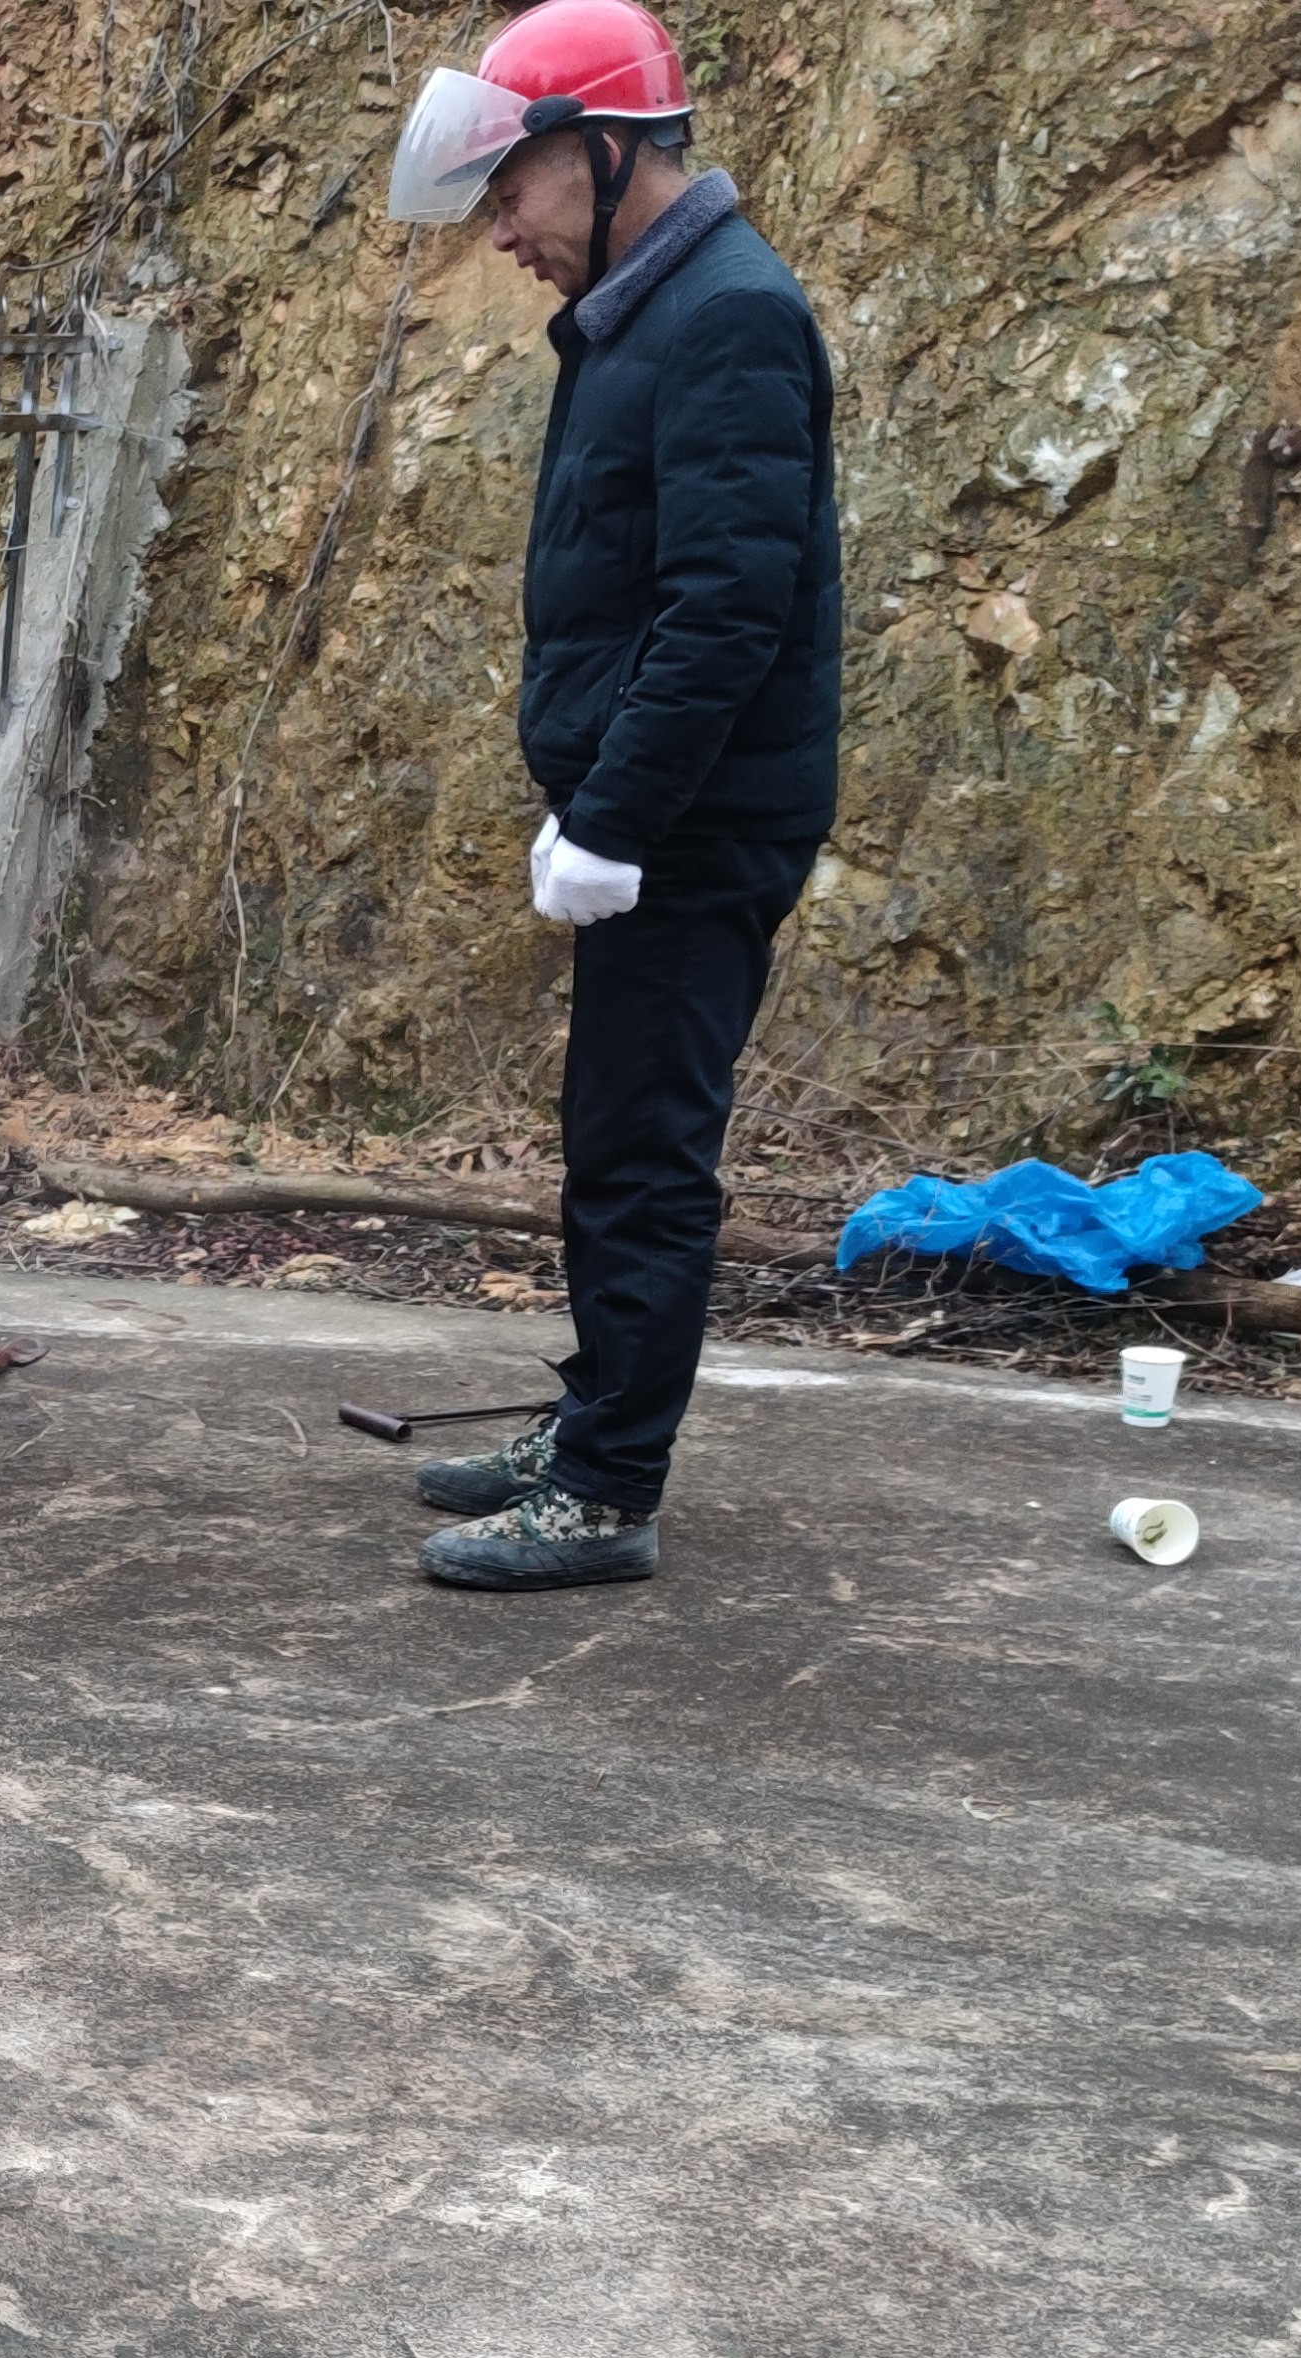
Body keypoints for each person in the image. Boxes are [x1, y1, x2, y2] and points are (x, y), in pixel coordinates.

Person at [380, 0, 843, 1591]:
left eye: (516, 185)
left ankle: (606, 1492)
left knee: (644, 1151)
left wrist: (619, 820)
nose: (501, 225)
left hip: (697, 824)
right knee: (610, 1138)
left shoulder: (727, 317)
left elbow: (727, 610)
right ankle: (590, 1427)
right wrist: (591, 795)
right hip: (656, 812)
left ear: (608, 150)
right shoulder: (647, 313)